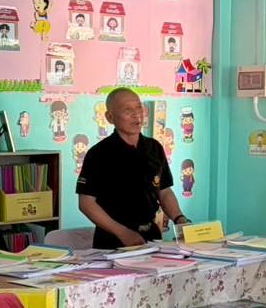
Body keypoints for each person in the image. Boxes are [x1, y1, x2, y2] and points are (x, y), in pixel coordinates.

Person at [77, 87, 190, 248]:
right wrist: (122, 232)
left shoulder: (154, 147)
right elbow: (86, 203)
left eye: (138, 108)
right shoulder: (99, 153)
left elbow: (164, 191)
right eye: (127, 110)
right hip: (114, 240)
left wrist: (179, 219)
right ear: (110, 117)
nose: (137, 115)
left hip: (151, 236)